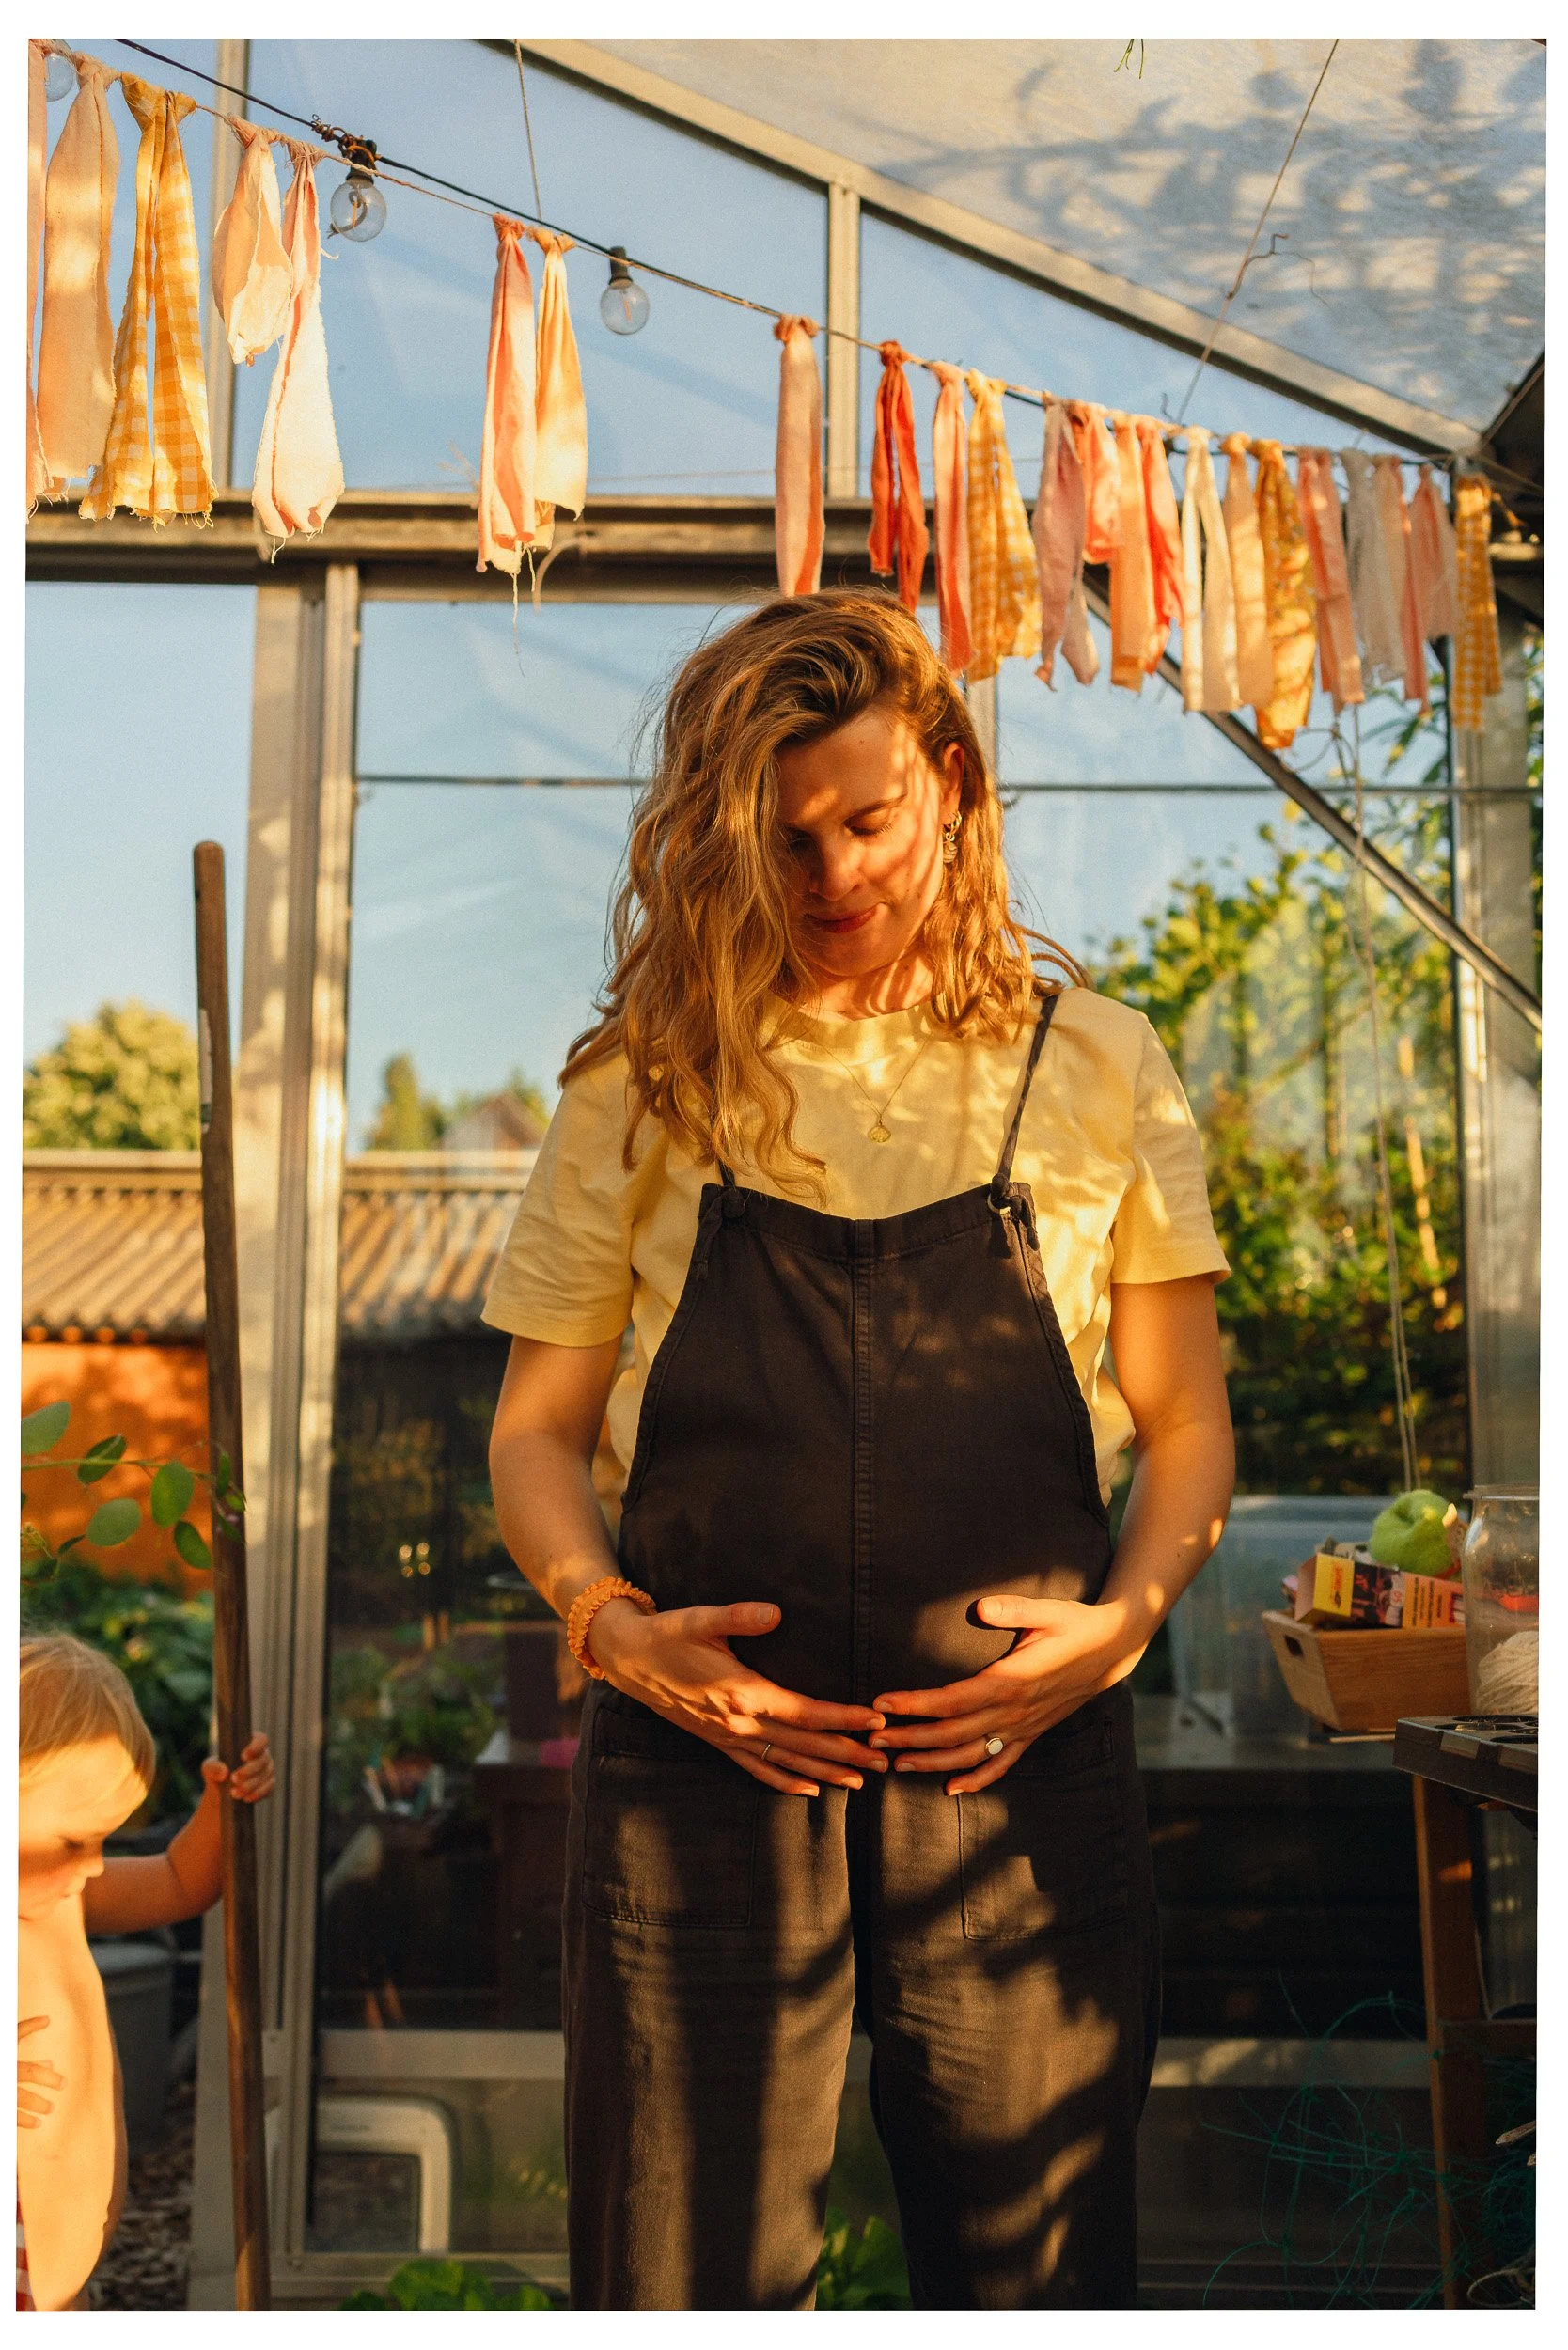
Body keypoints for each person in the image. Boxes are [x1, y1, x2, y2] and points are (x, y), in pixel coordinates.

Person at [485, 591, 1235, 2310]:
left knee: (1036, 2281)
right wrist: (612, 1632)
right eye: (780, 837)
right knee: (680, 2279)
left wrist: (1118, 1630)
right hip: (700, 1789)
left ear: (953, 787)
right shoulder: (644, 1084)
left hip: (1014, 1783)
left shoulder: (1099, 1064)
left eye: (867, 821)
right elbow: (532, 1435)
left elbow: (1187, 1429)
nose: (830, 880)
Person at [17, 1634, 274, 2311]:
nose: (95, 1864)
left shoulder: (61, 1893)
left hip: (59, 2274)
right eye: (76, 1839)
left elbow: (176, 1881)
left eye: (103, 1839)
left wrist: (223, 1809)